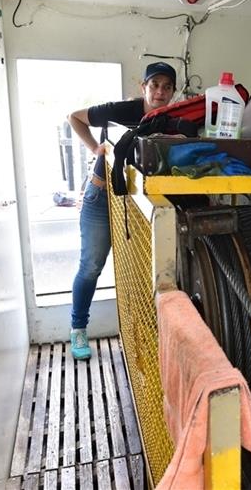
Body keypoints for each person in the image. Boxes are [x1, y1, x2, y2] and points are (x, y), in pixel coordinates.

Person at [66, 61, 176, 359]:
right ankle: (78, 330)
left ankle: (142, 331)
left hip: (135, 202)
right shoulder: (123, 110)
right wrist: (95, 148)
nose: (160, 92)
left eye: (167, 87)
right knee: (91, 265)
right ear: (144, 87)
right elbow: (74, 118)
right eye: (154, 85)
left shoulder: (171, 120)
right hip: (102, 197)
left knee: (141, 269)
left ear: (173, 92)